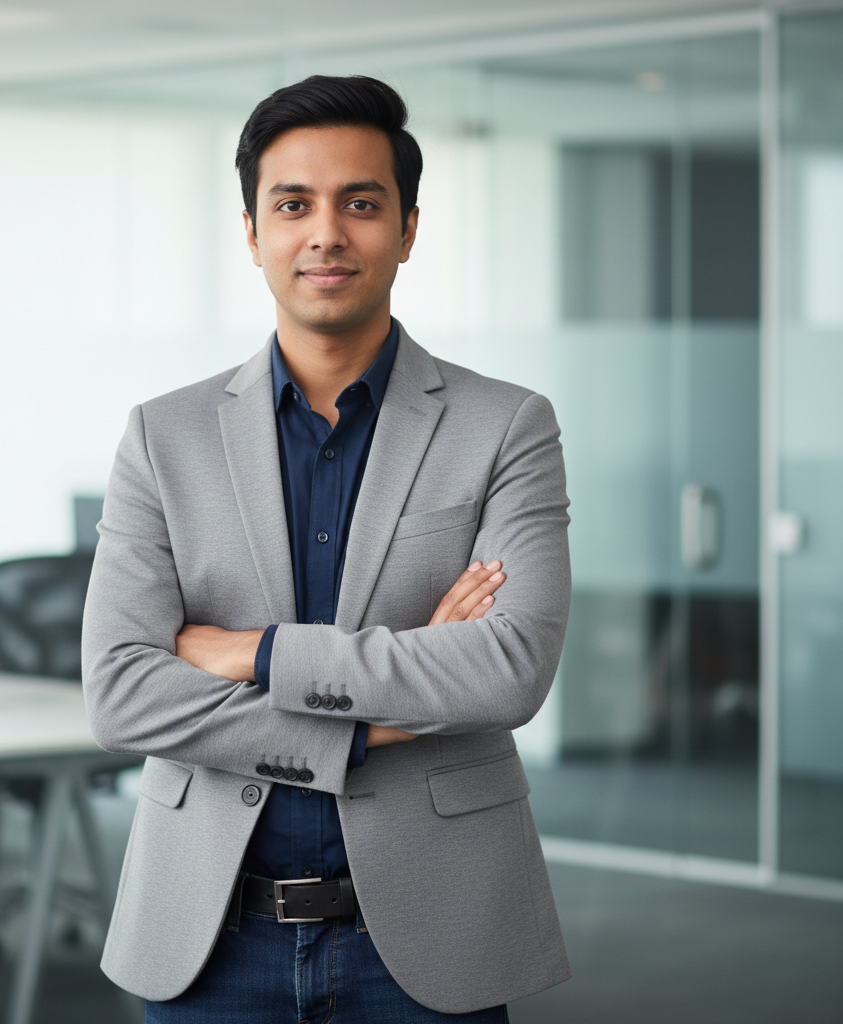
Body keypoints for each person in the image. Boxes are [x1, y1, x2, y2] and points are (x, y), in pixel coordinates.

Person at [82, 74, 571, 1022]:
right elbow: (119, 690)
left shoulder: (504, 425)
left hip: (431, 936)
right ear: (253, 231)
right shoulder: (162, 435)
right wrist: (372, 722)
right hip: (210, 935)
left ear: (408, 228)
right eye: (293, 203)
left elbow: (509, 670)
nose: (326, 233)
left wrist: (249, 653)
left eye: (361, 202)